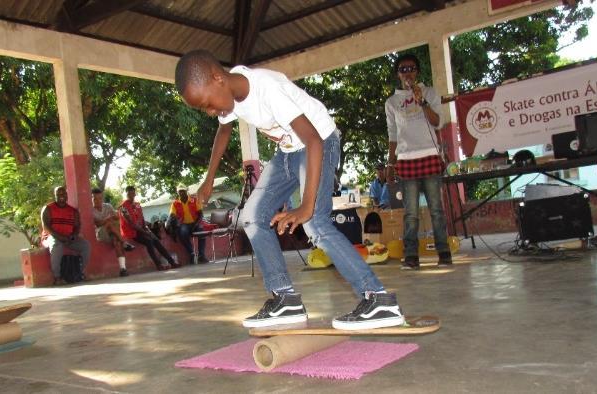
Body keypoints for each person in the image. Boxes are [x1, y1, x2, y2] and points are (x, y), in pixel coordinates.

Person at [175, 50, 405, 330]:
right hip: (287, 153)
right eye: (204, 109)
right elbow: (223, 132)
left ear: (217, 78)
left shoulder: (266, 89)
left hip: (320, 141)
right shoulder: (228, 95)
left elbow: (313, 141)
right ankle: (286, 299)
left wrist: (306, 206)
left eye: (208, 104)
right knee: (252, 216)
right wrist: (208, 179)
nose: (211, 112)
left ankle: (378, 299)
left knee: (315, 223)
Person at [385, 53, 452, 270]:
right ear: (398, 74)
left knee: (436, 209)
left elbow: (438, 123)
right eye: (403, 69)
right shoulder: (392, 102)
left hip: (429, 154)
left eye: (411, 68)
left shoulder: (430, 92)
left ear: (417, 71)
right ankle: (411, 256)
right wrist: (390, 163)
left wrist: (421, 100)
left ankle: (444, 252)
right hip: (405, 159)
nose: (408, 73)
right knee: (411, 213)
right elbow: (392, 135)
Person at [120, 186, 177, 270]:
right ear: (126, 194)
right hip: (131, 232)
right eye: (129, 194)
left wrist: (147, 228)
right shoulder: (123, 207)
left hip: (141, 230)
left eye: (133, 193)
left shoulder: (137, 205)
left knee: (156, 241)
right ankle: (158, 265)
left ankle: (172, 262)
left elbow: (142, 219)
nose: (131, 195)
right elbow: (132, 224)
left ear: (135, 193)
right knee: (149, 242)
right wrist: (145, 232)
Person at [41, 186, 91, 284]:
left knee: (86, 245)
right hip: (52, 236)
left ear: (67, 195)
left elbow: (77, 226)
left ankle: (79, 272)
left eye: (63, 194)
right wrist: (59, 237)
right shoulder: (48, 208)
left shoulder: (73, 211)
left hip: (68, 237)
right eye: (58, 194)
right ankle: (57, 277)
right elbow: (46, 227)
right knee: (57, 245)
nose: (61, 196)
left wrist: (73, 236)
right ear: (55, 196)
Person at [92, 188, 134, 277]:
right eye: (95, 199)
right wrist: (107, 219)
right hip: (100, 234)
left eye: (99, 198)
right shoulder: (90, 210)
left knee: (116, 241)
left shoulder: (108, 206)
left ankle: (123, 269)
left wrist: (111, 218)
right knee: (109, 224)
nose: (97, 201)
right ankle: (124, 242)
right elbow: (98, 224)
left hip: (112, 233)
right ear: (91, 199)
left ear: (102, 198)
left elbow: (116, 217)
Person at [168, 185, 208, 264]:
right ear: (178, 193)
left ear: (186, 191)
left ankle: (201, 255)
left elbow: (200, 214)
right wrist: (176, 222)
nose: (181, 193)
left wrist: (196, 224)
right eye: (180, 191)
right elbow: (172, 215)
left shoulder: (194, 200)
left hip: (195, 222)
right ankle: (191, 253)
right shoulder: (175, 203)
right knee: (182, 233)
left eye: (183, 191)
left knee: (202, 232)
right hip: (184, 224)